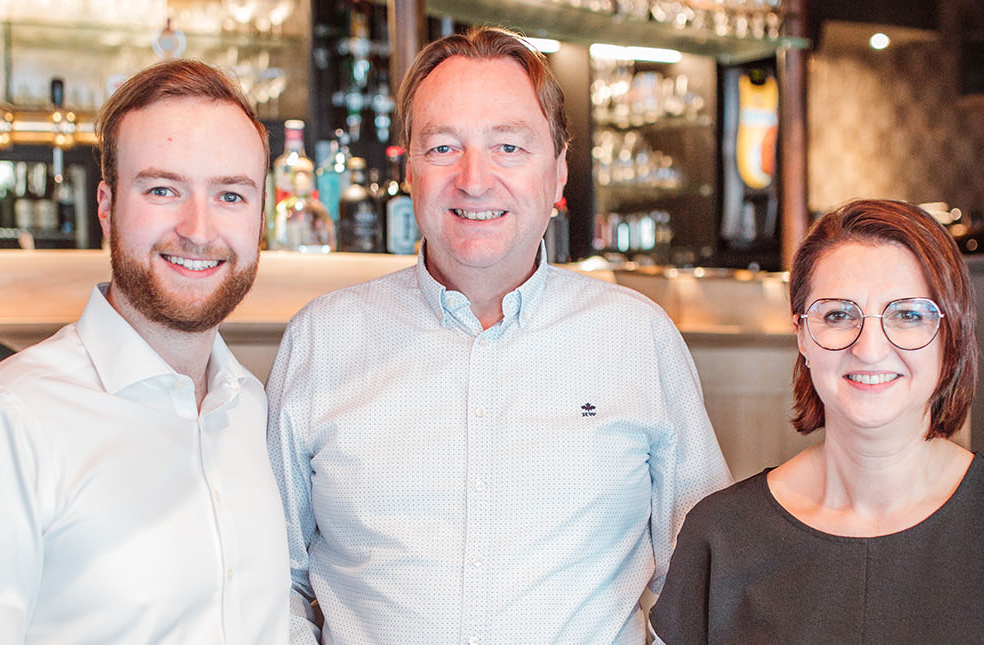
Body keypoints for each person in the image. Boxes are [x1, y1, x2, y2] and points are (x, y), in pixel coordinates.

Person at [267, 27, 731, 645]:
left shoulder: (638, 339)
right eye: (442, 148)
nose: (475, 179)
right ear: (410, 170)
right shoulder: (320, 342)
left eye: (509, 146)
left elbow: (705, 579)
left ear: (559, 172)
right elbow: (274, 579)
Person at [0, 59, 287, 643]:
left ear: (261, 215)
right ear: (106, 206)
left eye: (231, 195)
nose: (199, 228)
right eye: (163, 189)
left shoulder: (251, 408)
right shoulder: (4, 422)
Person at [650, 198, 984, 644]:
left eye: (908, 315)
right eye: (837, 315)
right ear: (803, 337)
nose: (869, 348)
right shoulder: (720, 536)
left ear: (950, 334)